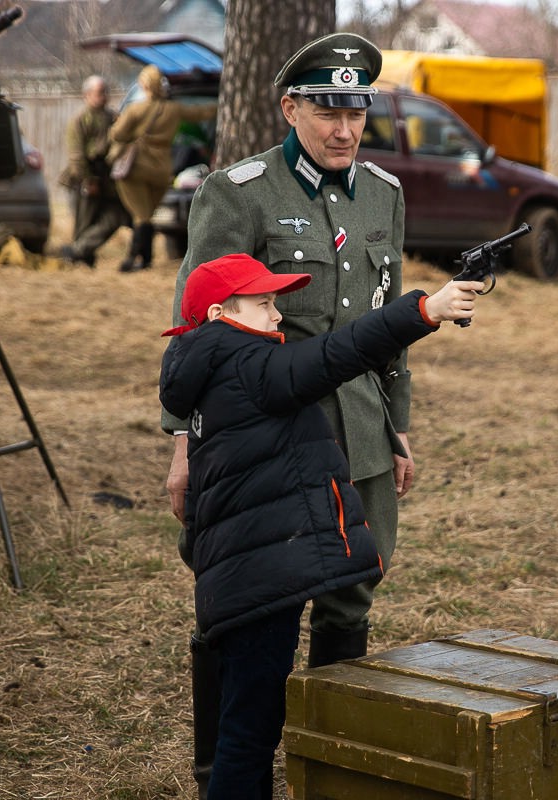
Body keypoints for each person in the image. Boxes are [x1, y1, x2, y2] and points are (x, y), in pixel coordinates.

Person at [160, 31, 405, 791]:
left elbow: (383, 316)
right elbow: (199, 324)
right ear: (290, 107)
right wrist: (182, 444)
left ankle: (331, 769)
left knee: (348, 603)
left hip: (358, 437)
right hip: (264, 444)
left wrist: (397, 428)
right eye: (328, 110)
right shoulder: (238, 191)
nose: (344, 129)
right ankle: (221, 769)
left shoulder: (385, 195)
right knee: (242, 614)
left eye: (356, 111)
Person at [159, 252, 482, 800]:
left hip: (245, 575)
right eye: (262, 303)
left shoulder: (211, 369)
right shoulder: (251, 365)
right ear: (220, 312)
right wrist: (427, 309)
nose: (277, 316)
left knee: (248, 723)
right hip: (262, 579)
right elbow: (341, 351)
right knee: (249, 735)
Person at [110, 64, 216, 273]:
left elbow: (117, 135)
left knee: (141, 215)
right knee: (147, 213)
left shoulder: (136, 109)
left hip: (137, 167)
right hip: (161, 169)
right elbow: (200, 113)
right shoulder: (174, 109)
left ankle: (132, 259)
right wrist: (222, 102)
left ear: (144, 85)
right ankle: (146, 260)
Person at [57, 75, 130, 268]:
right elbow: (76, 155)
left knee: (115, 217)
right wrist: (88, 180)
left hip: (108, 177)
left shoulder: (112, 118)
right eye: (99, 93)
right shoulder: (80, 120)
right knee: (84, 221)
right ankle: (80, 257)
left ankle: (79, 251)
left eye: (105, 92)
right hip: (87, 176)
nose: (103, 96)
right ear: (86, 95)